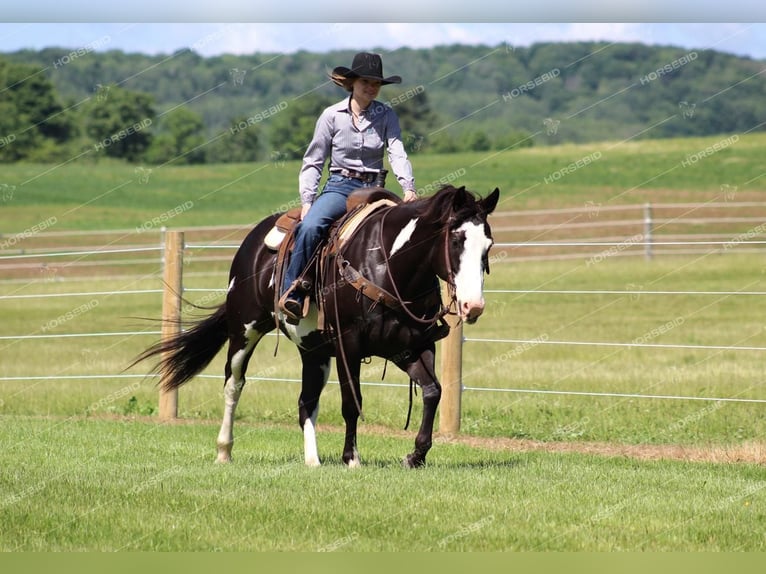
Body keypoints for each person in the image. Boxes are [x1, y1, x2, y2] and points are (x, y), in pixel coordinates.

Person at [279, 52, 418, 322]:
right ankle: (293, 291)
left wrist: (408, 187)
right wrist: (307, 201)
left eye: (376, 83)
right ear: (352, 83)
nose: (371, 88)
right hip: (340, 187)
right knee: (309, 227)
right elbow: (313, 160)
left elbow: (397, 152)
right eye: (366, 81)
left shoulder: (387, 115)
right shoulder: (331, 116)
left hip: (375, 189)